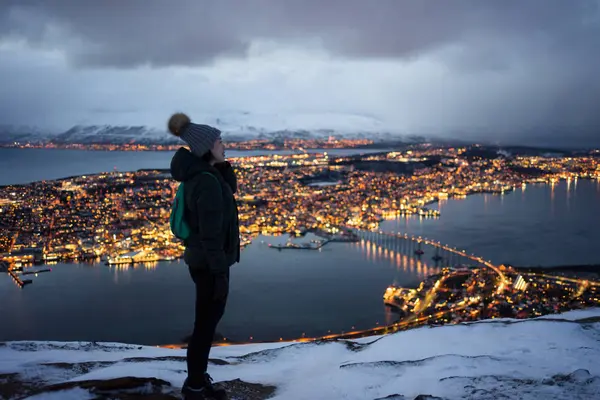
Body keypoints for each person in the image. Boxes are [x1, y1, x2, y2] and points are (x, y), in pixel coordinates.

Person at [168, 112, 240, 400]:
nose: (224, 145)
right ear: (207, 147)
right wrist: (220, 275)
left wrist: (222, 166)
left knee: (205, 323)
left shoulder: (205, 176)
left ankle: (197, 379)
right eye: (220, 141)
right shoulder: (206, 183)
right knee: (205, 326)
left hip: (203, 262)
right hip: (209, 264)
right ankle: (195, 386)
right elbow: (211, 237)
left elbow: (230, 189)